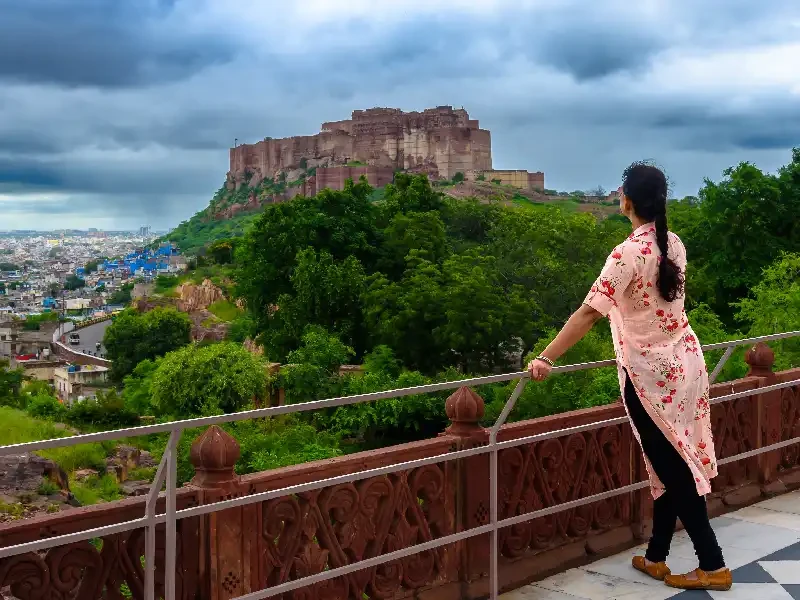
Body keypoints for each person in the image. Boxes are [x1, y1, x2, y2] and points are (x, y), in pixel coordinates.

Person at [527, 162, 731, 592]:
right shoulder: (673, 243)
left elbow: (587, 314)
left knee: (674, 467)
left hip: (651, 376)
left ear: (626, 201)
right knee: (667, 460)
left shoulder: (626, 254)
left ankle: (712, 563)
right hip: (687, 365)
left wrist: (546, 356)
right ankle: (657, 555)